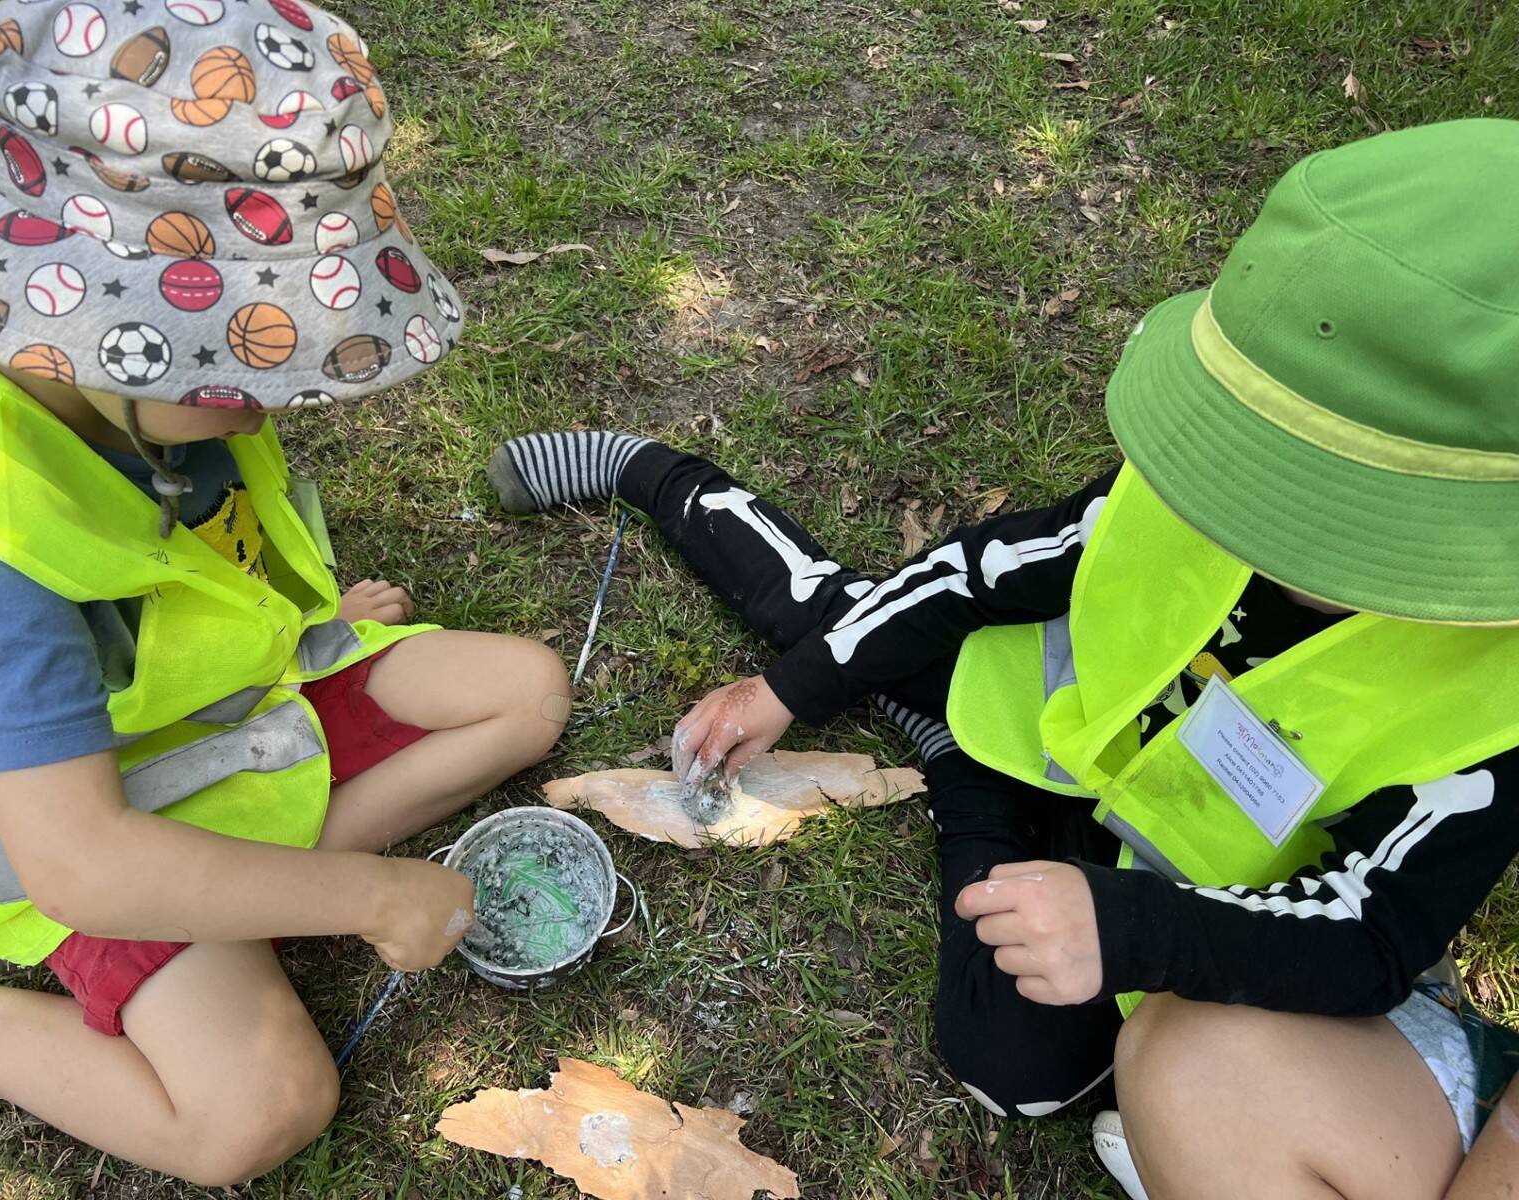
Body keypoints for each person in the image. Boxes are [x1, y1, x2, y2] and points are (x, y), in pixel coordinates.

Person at [485, 119, 1519, 1198]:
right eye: (1248, 470)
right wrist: (787, 691)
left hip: (1189, 884)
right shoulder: (1184, 497)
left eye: (1302, 511)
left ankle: (953, 770)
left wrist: (1128, 929)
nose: (1235, 513)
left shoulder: (1490, 707)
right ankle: (654, 473)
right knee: (837, 623)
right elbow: (972, 575)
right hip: (1037, 717)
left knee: (1014, 1078)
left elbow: (1371, 933)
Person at [0, 0, 570, 1184]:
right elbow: (83, 866)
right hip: (71, 836)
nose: (274, 394)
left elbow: (185, 550)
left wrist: (301, 621)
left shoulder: (138, 394)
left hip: (228, 716)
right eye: (241, 357)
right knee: (254, 1114)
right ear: (103, 323)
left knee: (525, 694)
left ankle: (249, 894)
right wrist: (368, 898)